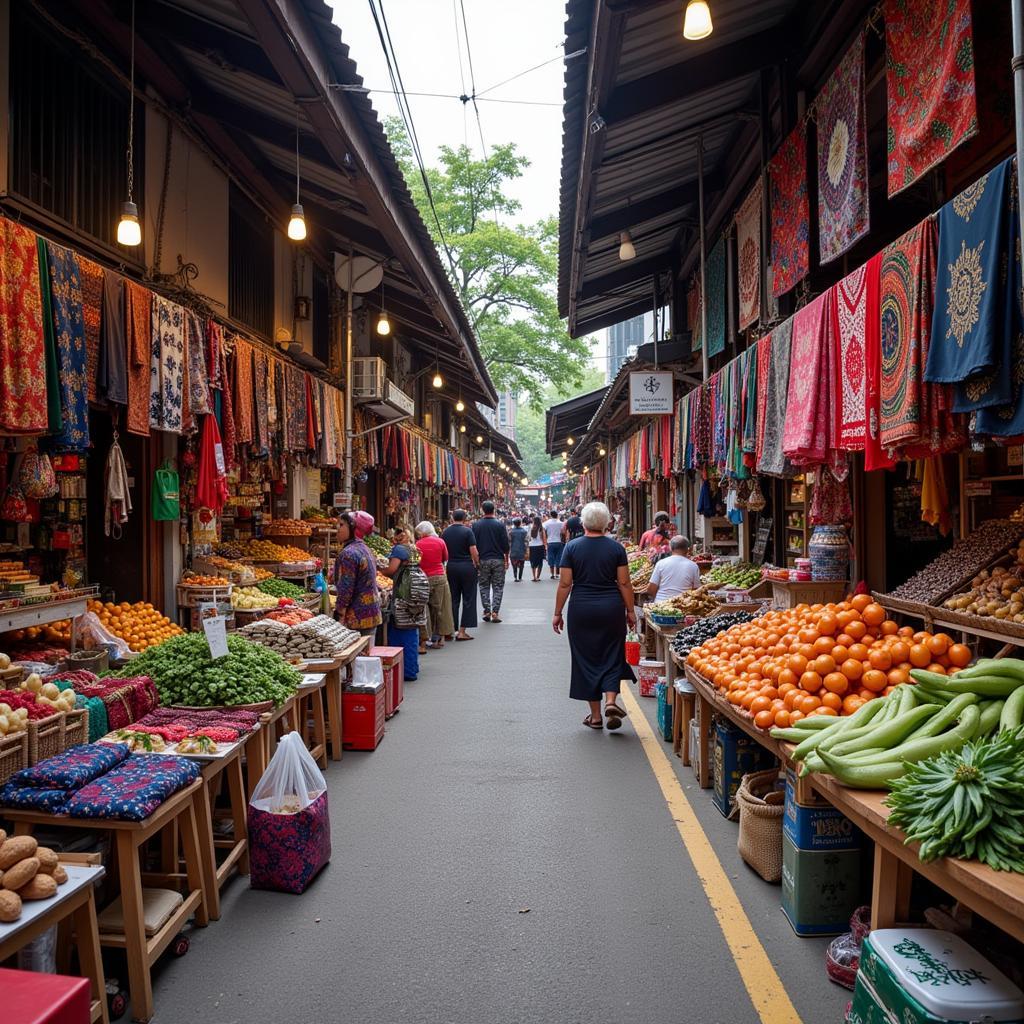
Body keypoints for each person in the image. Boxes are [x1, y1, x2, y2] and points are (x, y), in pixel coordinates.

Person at [552, 501, 636, 730]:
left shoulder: (571, 547)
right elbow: (625, 582)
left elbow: (565, 584)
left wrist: (558, 613)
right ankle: (611, 700)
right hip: (611, 608)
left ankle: (596, 716)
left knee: (585, 658)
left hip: (582, 609)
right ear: (607, 522)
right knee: (612, 654)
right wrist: (630, 611)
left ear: (583, 523)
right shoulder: (616, 548)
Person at [378, 525, 420, 680]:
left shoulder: (399, 550)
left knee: (399, 629)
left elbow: (392, 569)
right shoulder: (414, 549)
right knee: (410, 628)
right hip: (414, 591)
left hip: (402, 592)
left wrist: (377, 571)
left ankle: (403, 671)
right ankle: (411, 668)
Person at [332, 510, 383, 640]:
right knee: (366, 657)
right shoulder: (365, 549)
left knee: (357, 658)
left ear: (354, 528)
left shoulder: (349, 554)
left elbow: (346, 588)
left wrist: (340, 614)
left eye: (342, 525)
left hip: (356, 618)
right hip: (371, 614)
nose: (338, 529)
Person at [415, 521, 455, 649]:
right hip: (439, 577)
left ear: (422, 532)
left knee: (423, 609)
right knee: (441, 608)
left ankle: (424, 640)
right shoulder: (440, 542)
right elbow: (445, 558)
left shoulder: (417, 544)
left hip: (423, 578)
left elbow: (417, 561)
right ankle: (440, 639)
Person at [442, 509, 479, 641]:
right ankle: (462, 631)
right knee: (469, 598)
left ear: (452, 518)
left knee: (452, 599)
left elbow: (443, 551)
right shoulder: (468, 531)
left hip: (451, 566)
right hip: (467, 567)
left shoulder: (445, 532)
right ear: (464, 518)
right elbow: (473, 551)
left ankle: (450, 629)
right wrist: (477, 563)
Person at [473, 499, 510, 623]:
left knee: (484, 586)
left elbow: (473, 545)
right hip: (498, 560)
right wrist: (507, 559)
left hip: (483, 560)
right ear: (494, 510)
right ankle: (495, 612)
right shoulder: (500, 525)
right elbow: (505, 544)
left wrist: (475, 561)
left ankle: (487, 610)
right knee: (498, 586)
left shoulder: (476, 525)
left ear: (482, 510)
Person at [647, 535, 702, 602]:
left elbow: (651, 589)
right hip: (684, 605)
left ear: (670, 548)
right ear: (688, 549)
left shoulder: (661, 563)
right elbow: (697, 590)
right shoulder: (693, 566)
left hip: (661, 604)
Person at [543, 510, 565, 579]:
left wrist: (545, 541)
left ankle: (552, 574)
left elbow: (544, 531)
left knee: (551, 558)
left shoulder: (546, 523)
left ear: (550, 515)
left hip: (550, 542)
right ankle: (557, 574)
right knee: (558, 557)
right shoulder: (561, 523)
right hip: (558, 541)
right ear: (557, 515)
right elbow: (563, 532)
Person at [527, 515, 547, 582]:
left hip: (532, 546)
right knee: (540, 562)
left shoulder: (530, 527)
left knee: (533, 561)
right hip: (540, 546)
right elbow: (543, 538)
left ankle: (534, 577)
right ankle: (538, 577)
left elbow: (528, 538)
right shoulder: (541, 528)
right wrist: (546, 546)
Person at [508, 518, 528, 582]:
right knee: (522, 564)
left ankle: (515, 576)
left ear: (514, 524)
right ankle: (520, 577)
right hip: (522, 549)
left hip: (513, 550)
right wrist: (526, 550)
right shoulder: (524, 531)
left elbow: (509, 541)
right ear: (520, 523)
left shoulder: (511, 532)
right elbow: (526, 541)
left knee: (514, 564)